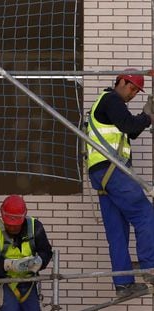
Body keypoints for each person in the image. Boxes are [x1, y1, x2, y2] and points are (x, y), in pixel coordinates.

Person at [86, 68, 154, 297]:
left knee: (117, 232)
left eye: (137, 91)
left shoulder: (104, 104)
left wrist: (144, 118)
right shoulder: (112, 99)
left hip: (101, 175)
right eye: (132, 88)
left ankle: (124, 284)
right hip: (112, 172)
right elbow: (131, 126)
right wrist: (148, 116)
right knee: (146, 215)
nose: (133, 94)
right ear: (121, 82)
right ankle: (150, 266)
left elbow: (131, 131)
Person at [0, 195, 53, 311]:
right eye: (9, 225)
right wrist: (8, 265)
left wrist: (39, 262)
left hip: (28, 282)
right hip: (5, 282)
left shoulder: (35, 227)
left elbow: (46, 251)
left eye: (16, 225)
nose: (12, 228)